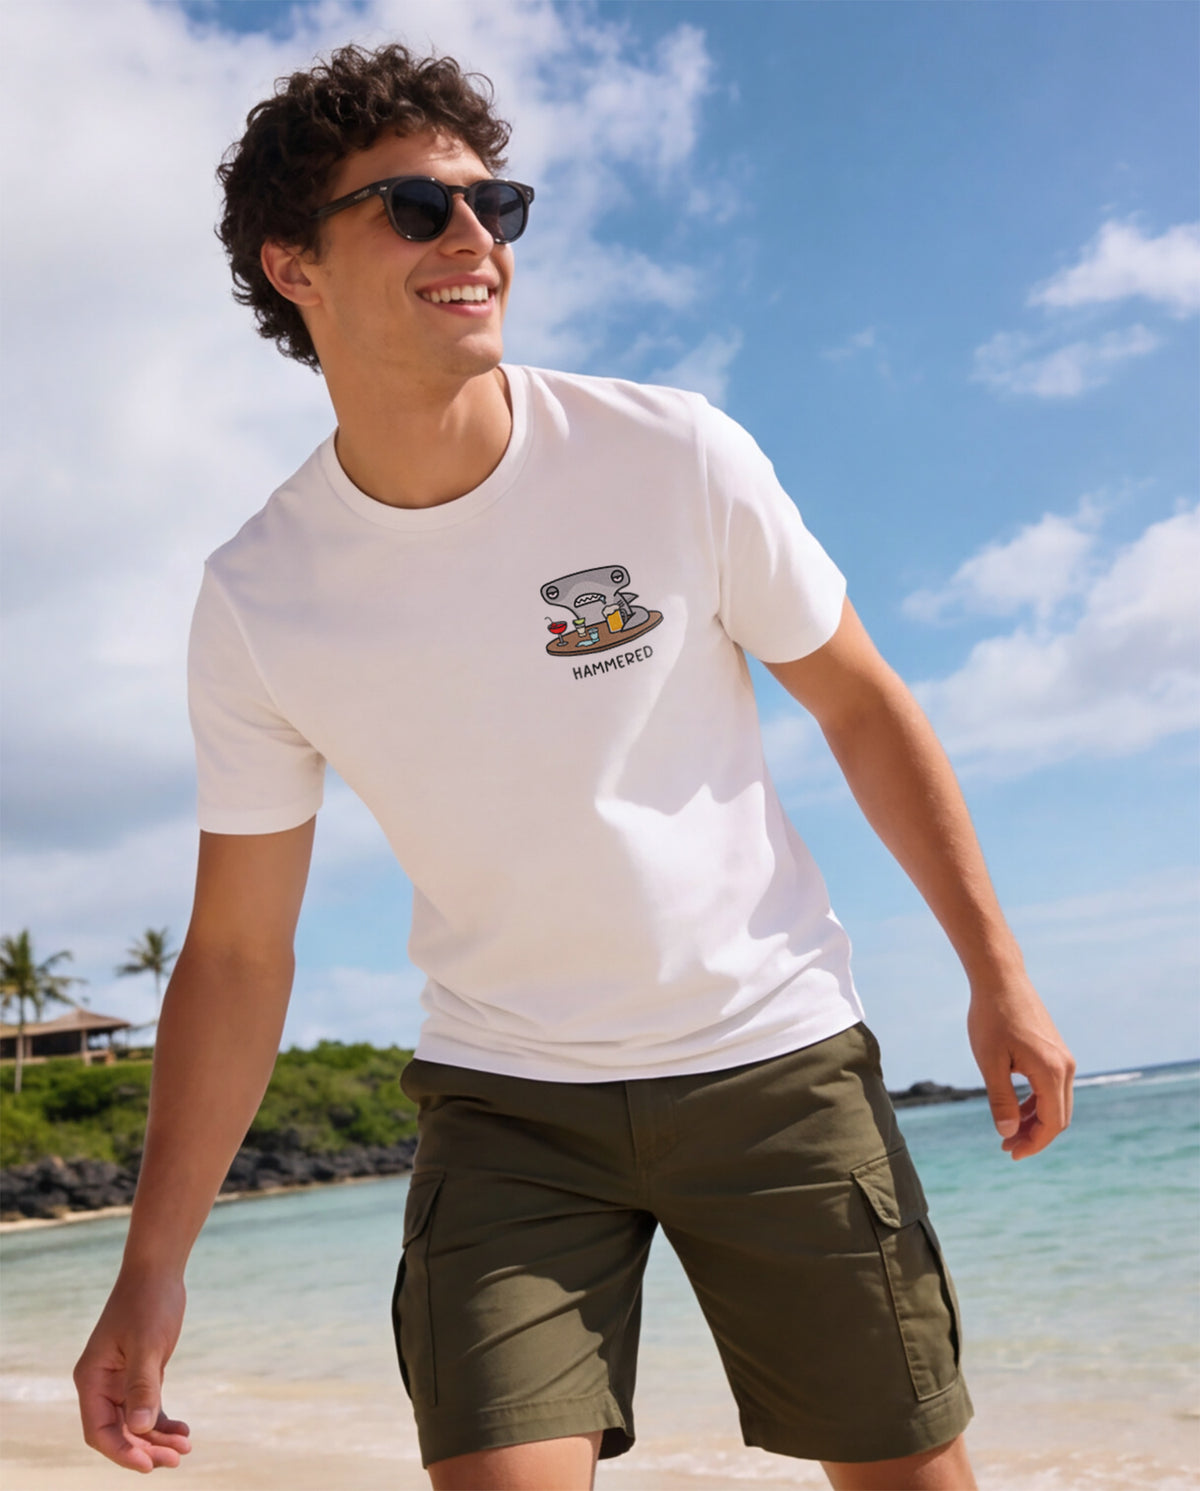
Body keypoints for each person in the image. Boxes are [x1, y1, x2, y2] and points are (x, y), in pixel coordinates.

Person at [73, 42, 1075, 1491]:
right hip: (505, 1107)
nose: (475, 238)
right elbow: (235, 951)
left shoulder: (672, 455)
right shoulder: (259, 595)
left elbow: (858, 703)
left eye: (498, 205)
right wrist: (151, 1269)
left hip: (771, 1058)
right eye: (415, 208)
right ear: (294, 265)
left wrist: (999, 973)